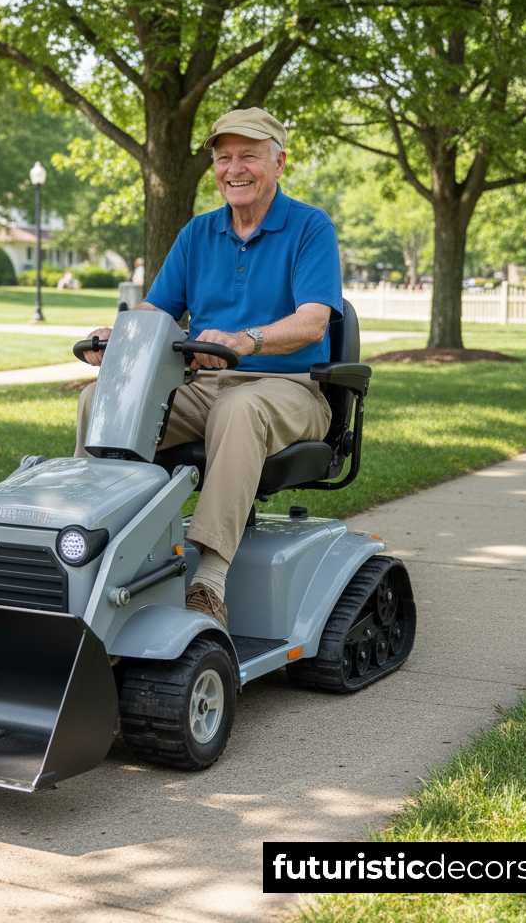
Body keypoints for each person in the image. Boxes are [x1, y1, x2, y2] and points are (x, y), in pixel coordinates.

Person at [75, 107, 342, 629]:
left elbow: (312, 323)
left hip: (292, 389)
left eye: (249, 156)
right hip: (205, 385)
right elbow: (156, 311)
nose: (234, 169)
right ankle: (90, 550)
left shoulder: (311, 227)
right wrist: (119, 336)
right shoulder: (198, 233)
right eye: (224, 158)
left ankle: (209, 582)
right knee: (98, 399)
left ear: (279, 162)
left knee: (239, 407)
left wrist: (246, 339)